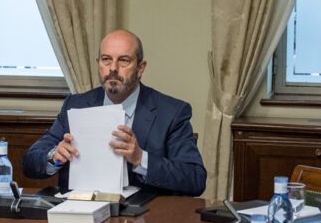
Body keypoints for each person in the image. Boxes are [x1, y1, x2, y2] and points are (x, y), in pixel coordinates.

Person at [22, 30, 207, 196]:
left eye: (123, 60)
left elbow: (194, 179)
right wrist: (55, 158)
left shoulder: (172, 112)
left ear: (140, 68)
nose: (113, 68)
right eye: (106, 59)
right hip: (80, 215)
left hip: (145, 221)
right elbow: (30, 162)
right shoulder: (77, 104)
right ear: (98, 64)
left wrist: (141, 159)